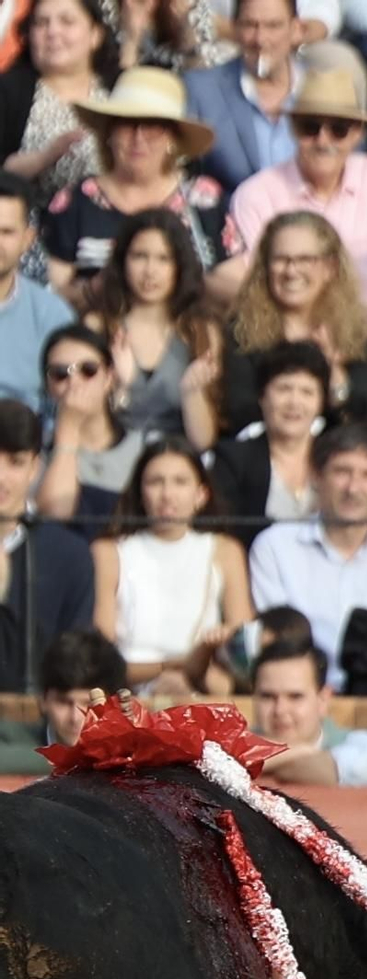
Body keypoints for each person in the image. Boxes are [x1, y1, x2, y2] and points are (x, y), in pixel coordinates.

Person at [222, 65, 367, 318]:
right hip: (286, 332)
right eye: (310, 127)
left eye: (338, 130)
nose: (323, 141)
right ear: (293, 128)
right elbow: (255, 285)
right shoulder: (256, 196)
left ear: (358, 133)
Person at [42, 65, 225, 308]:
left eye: (153, 126)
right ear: (109, 134)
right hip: (96, 325)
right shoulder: (73, 202)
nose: (139, 138)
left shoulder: (204, 199)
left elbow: (235, 287)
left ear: (172, 137)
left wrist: (182, 278)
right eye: (127, 124)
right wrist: (98, 287)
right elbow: (52, 295)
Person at [247, 419, 367, 687]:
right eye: (342, 472)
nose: (353, 488)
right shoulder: (274, 546)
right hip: (299, 695)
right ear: (316, 476)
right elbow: (276, 643)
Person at [91, 434, 251, 692]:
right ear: (140, 493)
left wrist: (207, 656)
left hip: (201, 687)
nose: (167, 494)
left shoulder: (225, 550)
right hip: (127, 692)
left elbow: (243, 651)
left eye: (180, 482)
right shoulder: (109, 552)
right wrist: (173, 666)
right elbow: (101, 656)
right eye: (156, 482)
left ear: (201, 494)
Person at [219, 207, 367, 431]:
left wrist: (334, 372)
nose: (291, 271)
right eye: (281, 259)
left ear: (330, 267)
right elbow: (241, 415)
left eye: (305, 259)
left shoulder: (358, 334)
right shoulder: (241, 331)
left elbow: (365, 422)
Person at [0, 0, 117, 284]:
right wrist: (43, 158)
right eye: (41, 23)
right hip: (34, 238)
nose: (52, 32)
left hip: (109, 230)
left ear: (95, 35)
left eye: (67, 21)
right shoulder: (9, 90)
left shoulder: (119, 89)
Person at [87, 206, 220, 444]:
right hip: (111, 456)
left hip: (178, 459)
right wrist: (121, 389)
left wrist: (192, 394)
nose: (150, 271)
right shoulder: (98, 326)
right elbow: (85, 425)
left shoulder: (201, 331)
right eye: (140, 256)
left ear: (179, 266)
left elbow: (203, 442)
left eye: (163, 259)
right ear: (123, 261)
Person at [0, 399, 94, 690]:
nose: (1, 477)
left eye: (15, 462)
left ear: (35, 468)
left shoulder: (69, 554)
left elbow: (74, 667)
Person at [208, 337, 326, 546]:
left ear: (320, 403)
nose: (294, 402)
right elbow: (224, 537)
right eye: (283, 389)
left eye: (307, 392)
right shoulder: (233, 460)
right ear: (262, 397)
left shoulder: (335, 458)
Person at [182, 0, 305, 193]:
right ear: (234, 28)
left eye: (273, 25)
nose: (260, 39)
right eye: (250, 25)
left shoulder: (323, 91)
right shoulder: (202, 90)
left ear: (296, 29)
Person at [251, 633, 367, 787]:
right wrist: (301, 751)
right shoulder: (236, 744)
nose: (280, 710)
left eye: (295, 697)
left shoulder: (361, 746)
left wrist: (270, 756)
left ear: (323, 700)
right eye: (267, 697)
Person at [34, 320, 142, 518]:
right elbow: (55, 515)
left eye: (88, 370)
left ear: (109, 377)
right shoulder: (35, 451)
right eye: (60, 374)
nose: (74, 382)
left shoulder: (141, 448)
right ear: (48, 386)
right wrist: (68, 431)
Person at [0, 625, 124, 772]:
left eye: (90, 704)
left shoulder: (130, 753)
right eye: (63, 702)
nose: (75, 717)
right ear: (43, 700)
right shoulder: (8, 738)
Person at [0, 170, 72, 406]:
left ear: (27, 239)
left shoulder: (52, 315)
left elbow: (64, 402)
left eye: (6, 232)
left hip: (26, 427)